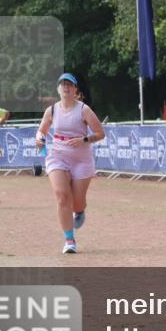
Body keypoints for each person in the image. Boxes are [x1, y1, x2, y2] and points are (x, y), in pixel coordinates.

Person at [35, 73, 105, 254]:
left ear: (75, 90)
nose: (66, 88)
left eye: (69, 85)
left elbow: (100, 133)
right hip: (57, 155)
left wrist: (84, 139)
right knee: (62, 196)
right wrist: (39, 139)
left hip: (81, 159)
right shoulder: (51, 110)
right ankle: (69, 240)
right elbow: (41, 131)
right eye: (62, 85)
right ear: (58, 89)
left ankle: (79, 211)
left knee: (77, 203)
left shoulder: (84, 110)